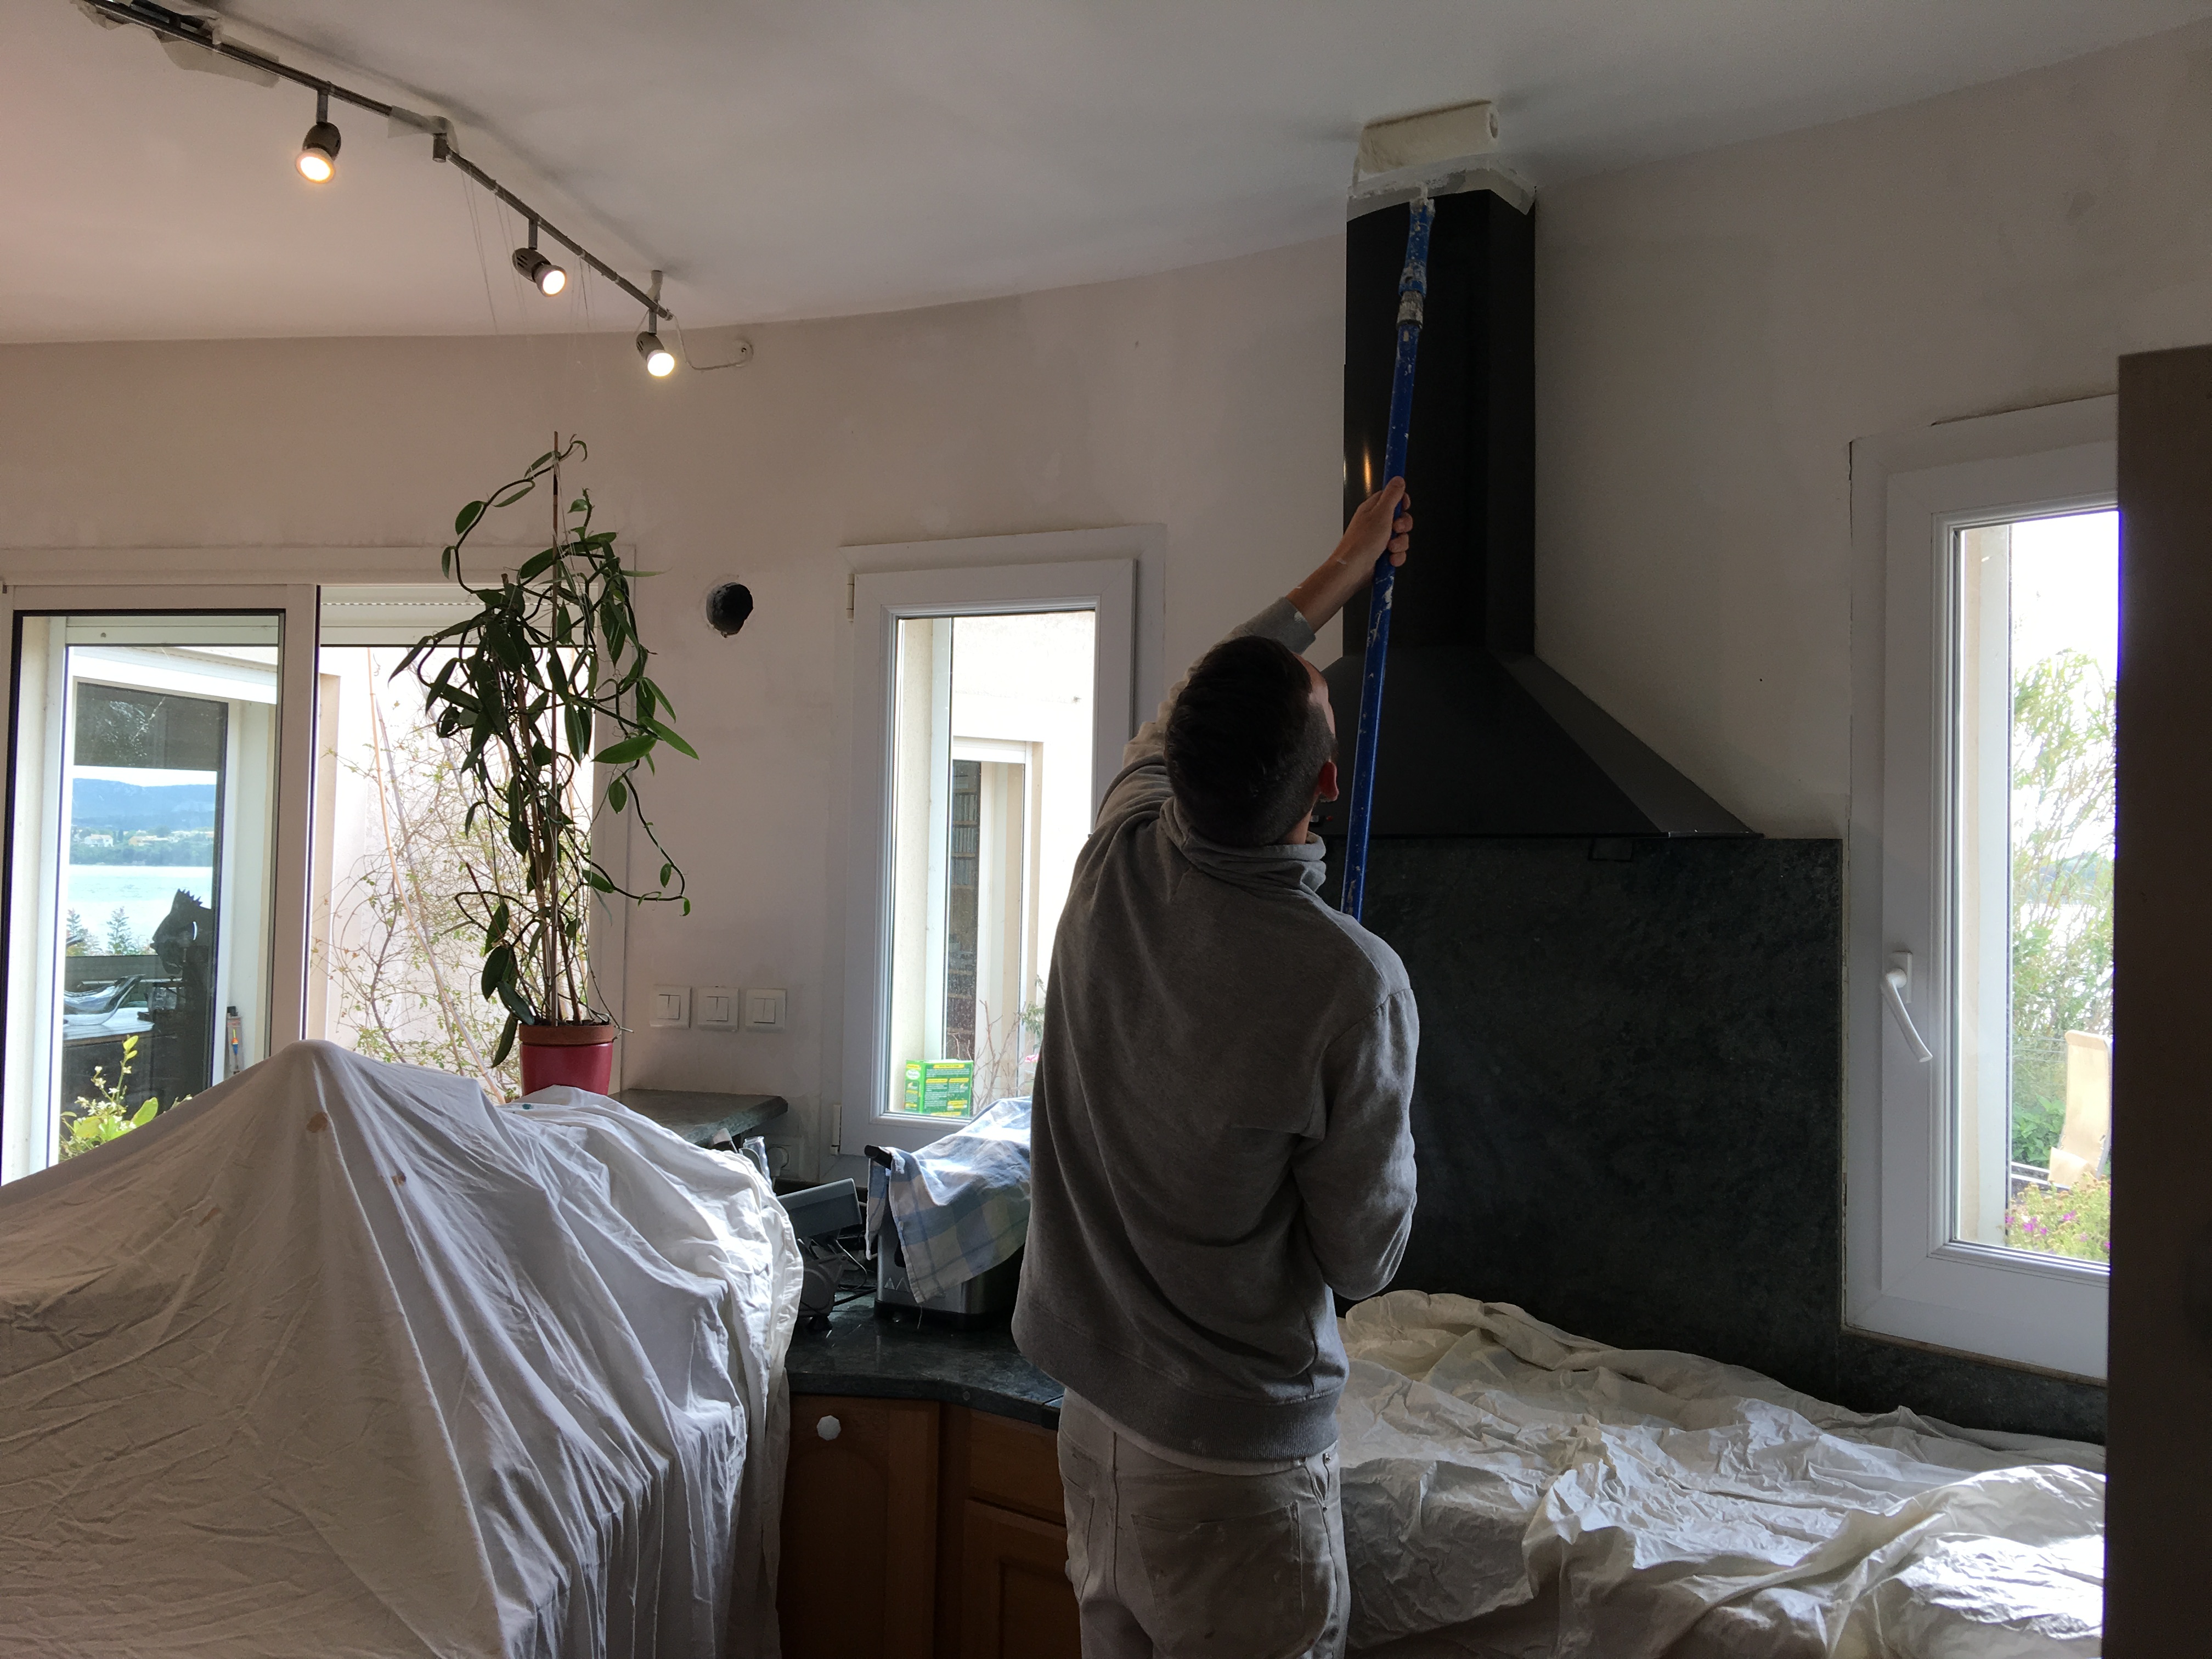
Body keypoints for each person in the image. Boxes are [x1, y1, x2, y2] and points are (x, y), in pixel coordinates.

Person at [1012, 481, 1421, 1659]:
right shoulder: (1351, 985)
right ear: (1326, 784)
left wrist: (1339, 570)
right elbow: (1367, 1258)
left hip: (1091, 1422)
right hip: (1236, 1472)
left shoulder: (1113, 850)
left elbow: (1203, 688)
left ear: (1181, 763)